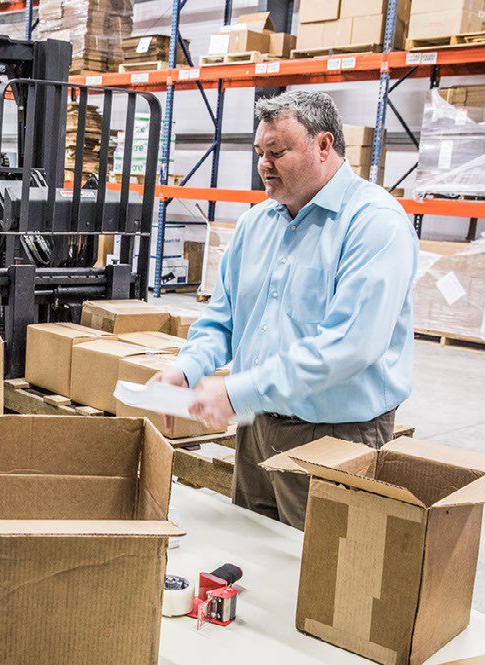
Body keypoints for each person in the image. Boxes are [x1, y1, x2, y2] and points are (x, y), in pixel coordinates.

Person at [153, 91, 419, 530]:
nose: (264, 164)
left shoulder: (374, 224)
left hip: (336, 432)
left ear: (323, 146)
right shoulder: (257, 224)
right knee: (250, 557)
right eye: (260, 152)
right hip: (257, 425)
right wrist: (188, 367)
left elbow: (348, 347)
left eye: (277, 152)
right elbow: (224, 319)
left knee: (318, 573)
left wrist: (237, 392)